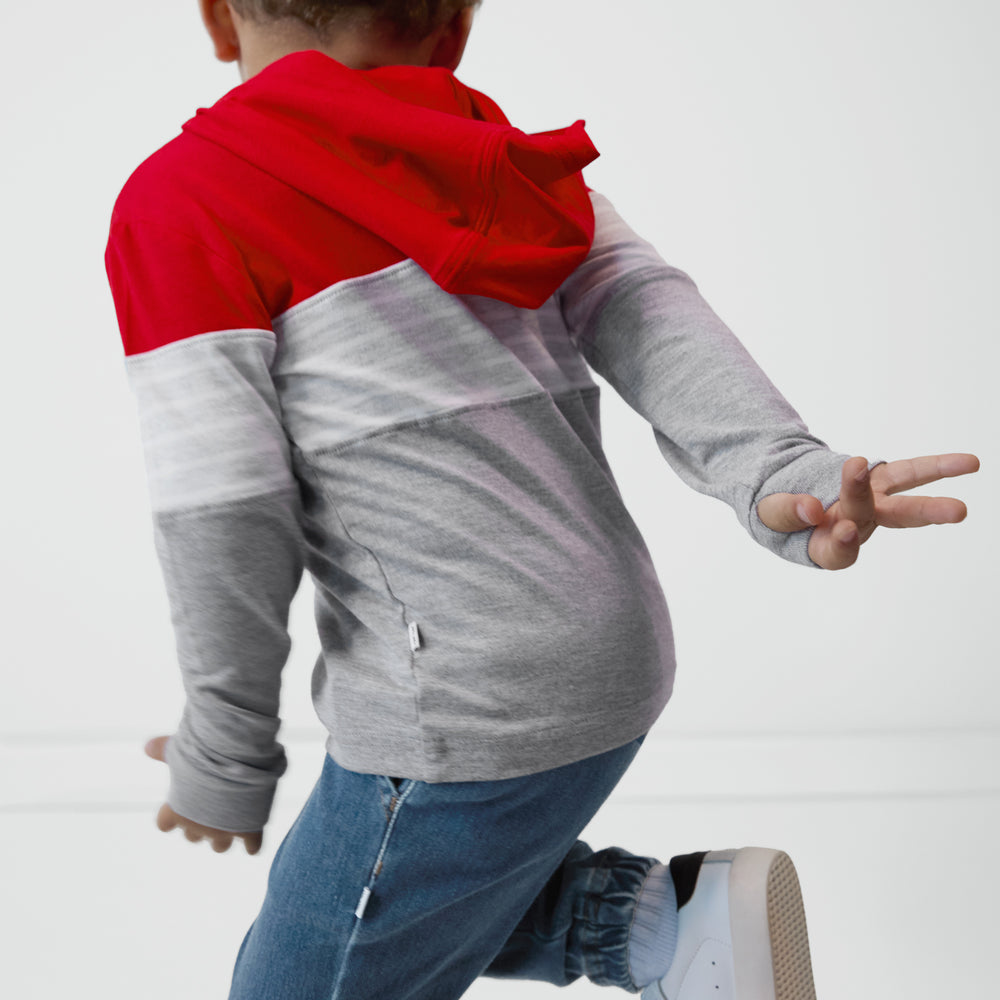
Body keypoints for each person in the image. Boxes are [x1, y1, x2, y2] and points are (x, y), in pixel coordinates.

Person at [105, 2, 979, 997]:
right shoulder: (501, 161)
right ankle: (655, 929)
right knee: (420, 875)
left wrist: (224, 744)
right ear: (454, 28)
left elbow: (225, 506)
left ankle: (667, 931)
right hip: (609, 650)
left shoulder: (185, 200)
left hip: (457, 699)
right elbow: (652, 312)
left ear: (219, 19)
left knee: (305, 974)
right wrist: (786, 471)